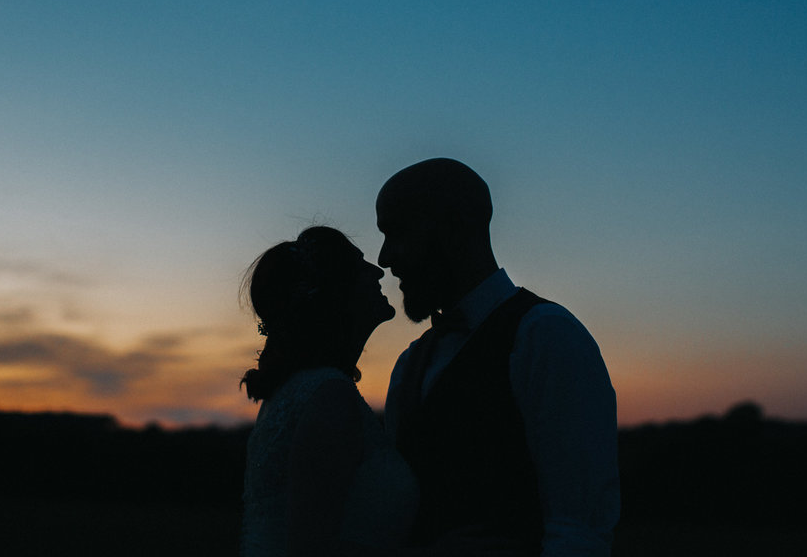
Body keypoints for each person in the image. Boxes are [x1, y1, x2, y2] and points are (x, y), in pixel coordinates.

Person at [378, 158, 621, 556]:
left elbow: (579, 528)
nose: (385, 258)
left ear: (453, 226)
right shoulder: (411, 363)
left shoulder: (546, 335)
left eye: (397, 232)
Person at [240, 226, 418, 557]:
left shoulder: (302, 392)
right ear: (337, 292)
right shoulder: (326, 396)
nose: (378, 271)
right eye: (360, 263)